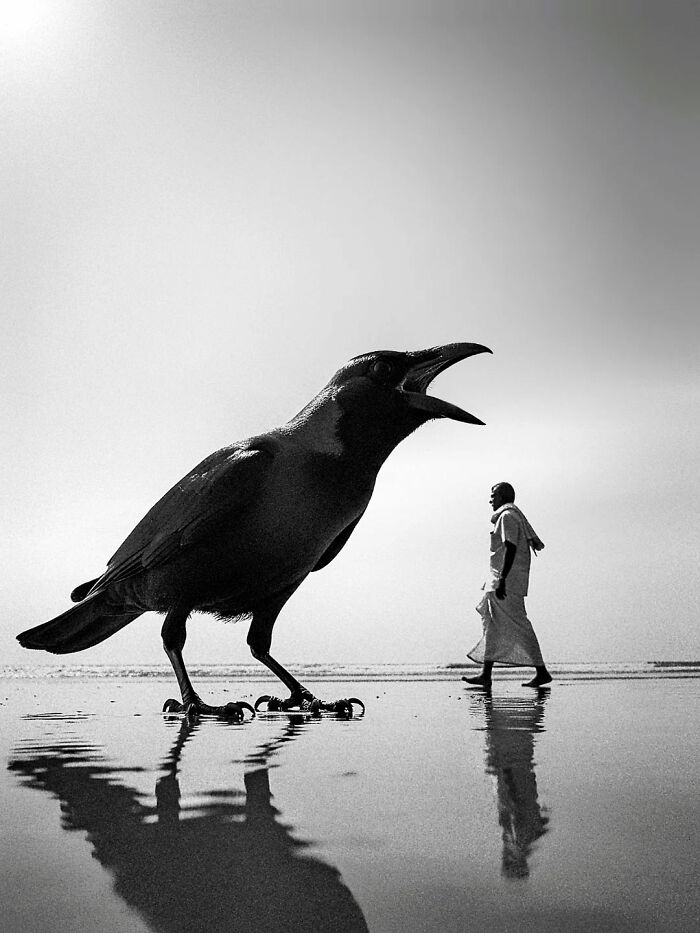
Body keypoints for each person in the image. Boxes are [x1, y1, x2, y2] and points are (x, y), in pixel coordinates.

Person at [463, 482, 552, 688]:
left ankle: (541, 671)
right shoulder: (509, 516)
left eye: (493, 495)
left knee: (520, 623)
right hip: (500, 579)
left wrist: (503, 579)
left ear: (503, 496)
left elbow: (510, 547)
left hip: (505, 581)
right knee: (492, 625)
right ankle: (486, 674)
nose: (490, 499)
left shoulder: (507, 517)